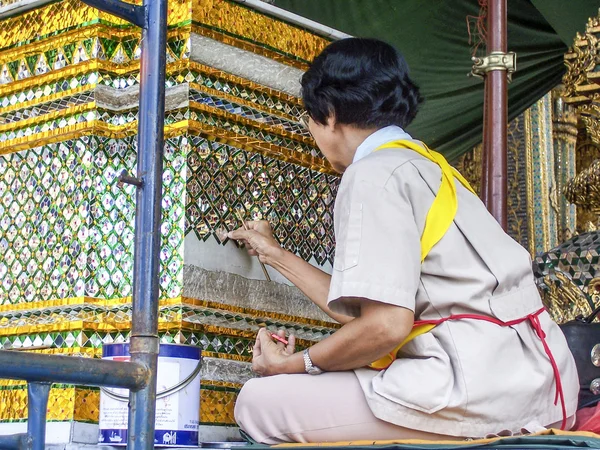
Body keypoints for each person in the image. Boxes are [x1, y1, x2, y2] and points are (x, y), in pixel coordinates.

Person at [229, 38, 579, 444]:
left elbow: (385, 327)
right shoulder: (430, 166)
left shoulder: (373, 174)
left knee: (259, 401)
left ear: (327, 115)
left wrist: (294, 365)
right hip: (545, 388)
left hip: (474, 392)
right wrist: (276, 255)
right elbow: (375, 313)